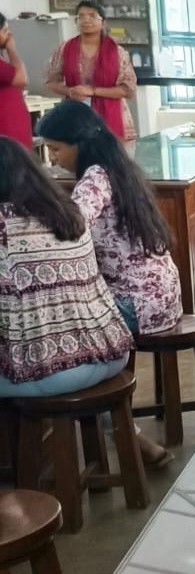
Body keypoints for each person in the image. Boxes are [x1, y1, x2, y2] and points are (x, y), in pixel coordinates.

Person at [0, 137, 133, 398]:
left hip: (52, 371)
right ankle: (113, 434)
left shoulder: (4, 225)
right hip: (112, 353)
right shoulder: (66, 213)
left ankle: (34, 439)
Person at [36, 100, 183, 336]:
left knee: (45, 321)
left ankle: (91, 373)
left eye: (55, 149)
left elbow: (75, 224)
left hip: (135, 305)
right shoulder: (118, 167)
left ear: (80, 144)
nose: (52, 158)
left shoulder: (95, 176)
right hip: (161, 297)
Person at [44, 0, 137, 140]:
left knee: (110, 158)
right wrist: (69, 91)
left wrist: (93, 91)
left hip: (111, 115)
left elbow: (128, 89)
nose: (86, 20)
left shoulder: (117, 52)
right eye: (81, 16)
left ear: (103, 23)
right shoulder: (64, 49)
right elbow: (50, 81)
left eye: (92, 16)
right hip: (75, 113)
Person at [0, 13, 33, 148]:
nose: (9, 35)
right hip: (6, 132)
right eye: (5, 30)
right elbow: (22, 79)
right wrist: (12, 49)